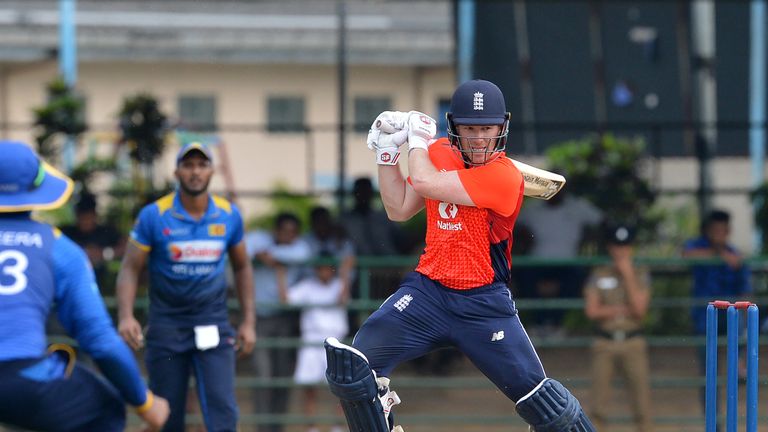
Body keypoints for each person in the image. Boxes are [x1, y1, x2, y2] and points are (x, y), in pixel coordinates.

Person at [323, 79, 596, 431]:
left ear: (502, 127)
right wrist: (388, 154)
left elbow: (423, 182)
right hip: (427, 294)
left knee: (546, 406)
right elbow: (399, 209)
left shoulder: (503, 178)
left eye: (488, 128)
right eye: (470, 128)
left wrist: (417, 140)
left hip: (484, 304)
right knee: (355, 369)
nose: (480, 138)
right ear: (454, 127)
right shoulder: (437, 155)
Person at [0, 141, 169, 431]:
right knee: (105, 408)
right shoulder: (59, 249)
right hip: (20, 379)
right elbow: (101, 342)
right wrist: (146, 404)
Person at [116, 142, 256, 432]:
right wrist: (126, 316)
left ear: (212, 171)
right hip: (166, 326)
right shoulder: (154, 215)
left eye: (201, 165)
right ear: (177, 171)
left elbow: (243, 267)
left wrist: (249, 322)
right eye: (188, 165)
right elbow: (130, 268)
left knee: (223, 410)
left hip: (213, 325)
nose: (195, 172)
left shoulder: (228, 215)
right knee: (166, 413)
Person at [244, 211, 311, 432]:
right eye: (285, 231)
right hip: (260, 319)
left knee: (283, 376)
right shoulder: (259, 238)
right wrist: (269, 254)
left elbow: (301, 254)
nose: (289, 235)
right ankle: (263, 427)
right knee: (263, 376)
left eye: (293, 232)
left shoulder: (298, 246)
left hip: (286, 319)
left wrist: (269, 255)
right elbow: (244, 248)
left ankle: (276, 427)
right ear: (276, 231)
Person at [682, 209, 751, 419]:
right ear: (708, 231)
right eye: (715, 230)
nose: (719, 234)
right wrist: (722, 255)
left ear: (728, 231)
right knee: (708, 375)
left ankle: (740, 359)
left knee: (738, 317)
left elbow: (746, 292)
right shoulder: (699, 247)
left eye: (722, 230)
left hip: (731, 317)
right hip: (706, 318)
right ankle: (713, 420)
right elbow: (685, 254)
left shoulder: (736, 255)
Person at [584, 223, 653, 431]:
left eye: (624, 246)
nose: (620, 251)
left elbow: (640, 310)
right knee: (598, 406)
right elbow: (592, 311)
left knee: (642, 404)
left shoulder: (640, 274)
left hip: (633, 341)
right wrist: (622, 310)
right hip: (604, 341)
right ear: (609, 247)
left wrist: (628, 274)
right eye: (616, 246)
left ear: (630, 248)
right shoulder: (599, 273)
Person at [515, 187, 603, 335]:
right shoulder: (532, 208)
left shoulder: (577, 206)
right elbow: (512, 226)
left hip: (568, 264)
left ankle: (555, 324)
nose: (555, 192)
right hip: (536, 262)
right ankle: (539, 324)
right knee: (523, 278)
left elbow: (603, 222)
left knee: (576, 280)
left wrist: (587, 241)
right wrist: (524, 239)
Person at [285, 252, 348, 432]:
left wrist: (345, 272)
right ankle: (311, 427)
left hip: (335, 341)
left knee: (341, 388)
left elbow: (342, 298)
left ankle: (338, 426)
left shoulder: (339, 285)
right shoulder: (307, 286)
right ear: (316, 270)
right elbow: (286, 298)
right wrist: (280, 272)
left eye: (327, 269)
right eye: (321, 269)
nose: (324, 272)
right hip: (312, 340)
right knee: (309, 387)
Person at [61, 191, 124, 292]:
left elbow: (127, 247)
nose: (85, 222)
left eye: (88, 218)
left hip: (102, 285)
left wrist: (104, 253)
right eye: (82, 218)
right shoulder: (68, 233)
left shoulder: (105, 232)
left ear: (94, 216)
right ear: (77, 216)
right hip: (73, 284)